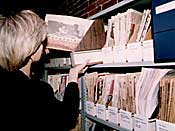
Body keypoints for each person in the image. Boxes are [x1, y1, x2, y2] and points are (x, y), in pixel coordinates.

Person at [0, 10, 89, 130]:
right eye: (42, 43)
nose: (46, 49)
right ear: (30, 50)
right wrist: (73, 78)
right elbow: (66, 119)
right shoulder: (38, 91)